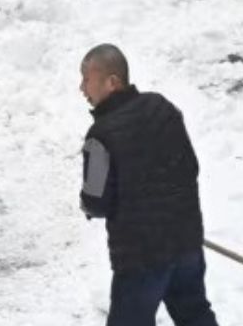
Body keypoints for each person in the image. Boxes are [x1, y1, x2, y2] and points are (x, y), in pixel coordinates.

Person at [79, 44, 220, 326]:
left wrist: (86, 204)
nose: (82, 88)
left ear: (112, 82)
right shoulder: (162, 108)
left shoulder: (99, 136)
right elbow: (190, 168)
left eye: (86, 79)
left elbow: (96, 201)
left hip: (140, 258)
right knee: (194, 315)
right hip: (186, 243)